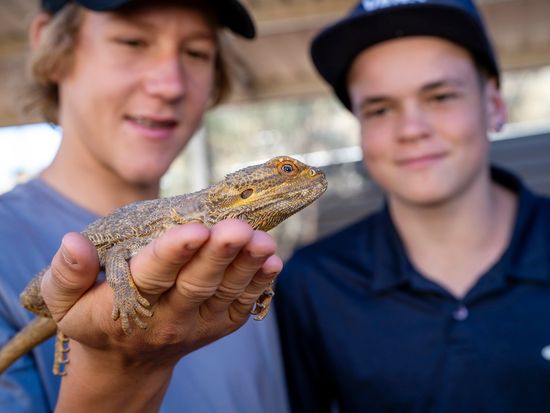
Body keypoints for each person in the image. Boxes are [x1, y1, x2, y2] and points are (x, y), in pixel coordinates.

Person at [0, 0, 289, 412]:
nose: (170, 84)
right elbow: (118, 253)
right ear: (50, 45)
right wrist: (121, 366)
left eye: (196, 52)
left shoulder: (233, 256)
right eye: (132, 41)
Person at [275, 0, 550, 412]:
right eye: (380, 109)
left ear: (493, 104)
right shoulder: (312, 284)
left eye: (440, 96)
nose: (411, 129)